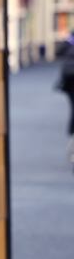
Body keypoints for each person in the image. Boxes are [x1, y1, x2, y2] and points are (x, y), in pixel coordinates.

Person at [55, 32, 74, 164]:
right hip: (71, 80)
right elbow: (59, 51)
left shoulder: (71, 39)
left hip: (69, 80)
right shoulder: (70, 40)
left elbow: (59, 52)